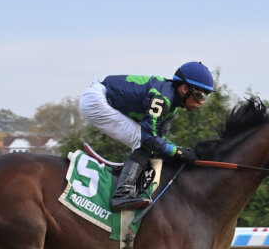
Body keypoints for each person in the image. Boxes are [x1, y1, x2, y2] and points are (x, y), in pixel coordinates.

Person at [79, 62, 214, 211]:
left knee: (152, 144)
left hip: (102, 97)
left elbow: (160, 141)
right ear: (184, 89)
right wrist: (179, 152)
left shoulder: (171, 107)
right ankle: (121, 195)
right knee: (143, 141)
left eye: (205, 96)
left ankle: (132, 185)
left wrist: (179, 151)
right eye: (200, 94)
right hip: (96, 100)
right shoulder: (162, 99)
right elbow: (149, 139)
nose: (201, 101)